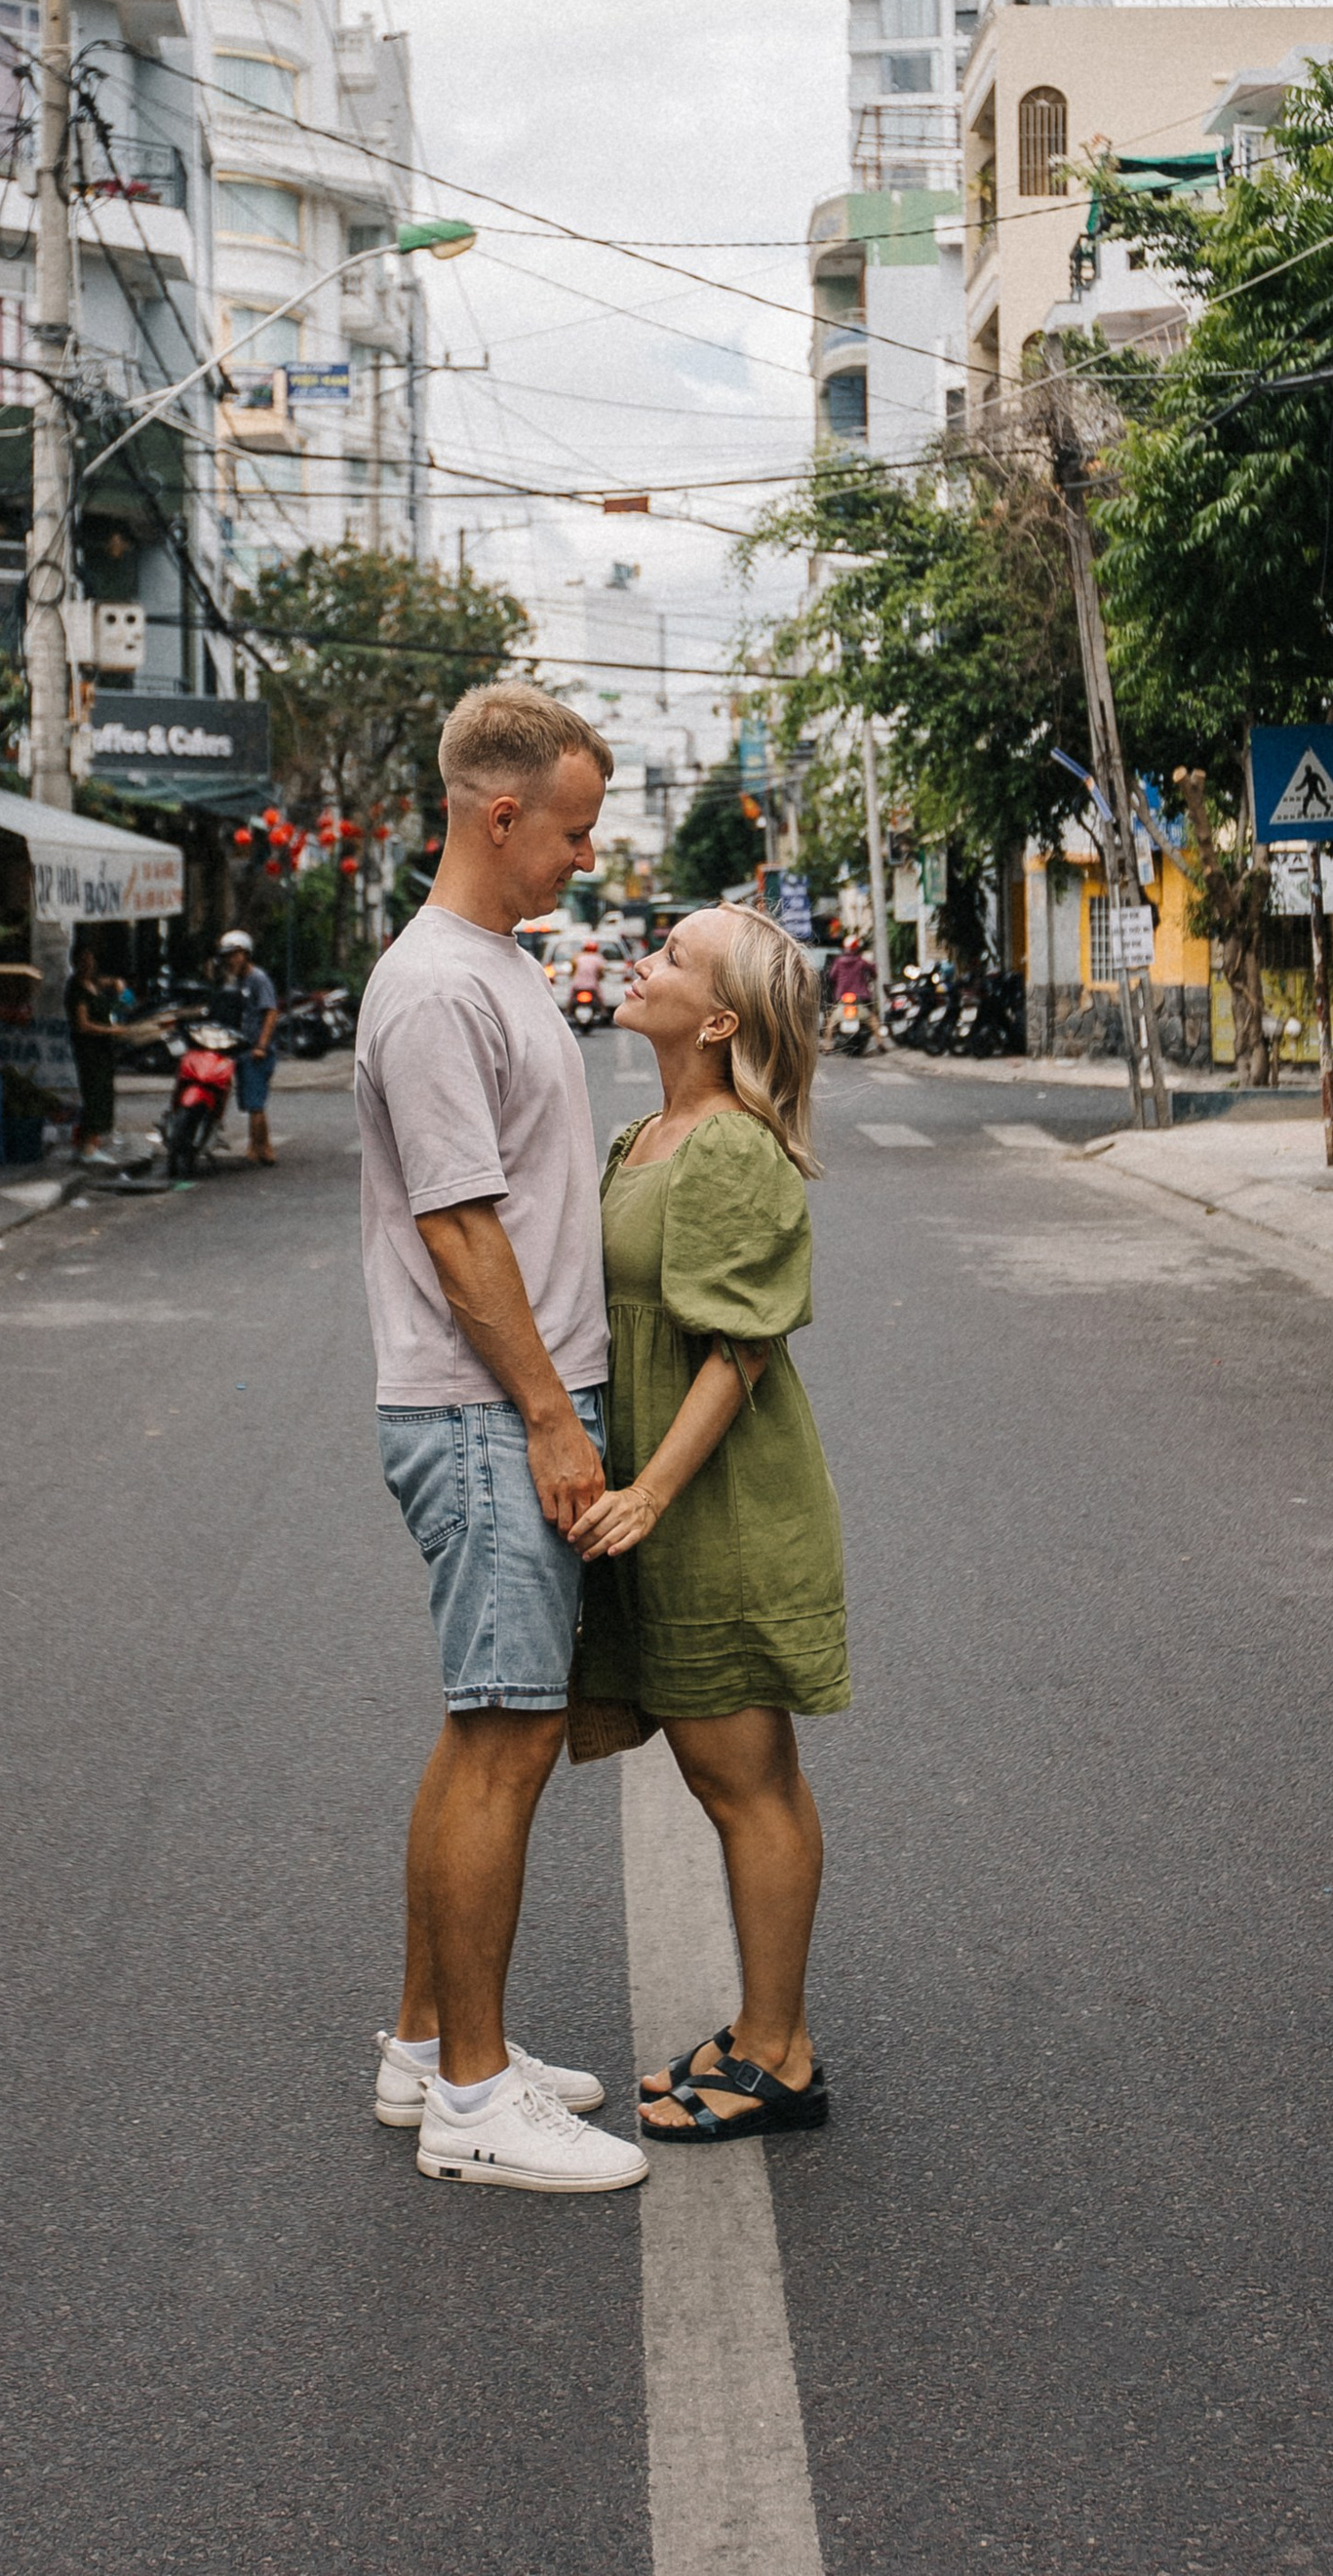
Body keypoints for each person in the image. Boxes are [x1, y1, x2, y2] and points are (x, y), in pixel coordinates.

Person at [357, 683, 647, 2197]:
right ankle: (475, 2097)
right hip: (485, 1413)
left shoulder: (493, 967)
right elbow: (463, 1231)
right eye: (575, 830)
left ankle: (428, 2044)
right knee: (514, 1735)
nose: (583, 858)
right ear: (500, 813)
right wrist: (549, 1417)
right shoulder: (436, 991)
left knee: (485, 1728)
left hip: (498, 1407)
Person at [570, 902, 847, 2145]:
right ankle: (755, 2029)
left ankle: (780, 2054)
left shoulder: (728, 1147)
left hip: (718, 1506)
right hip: (665, 1498)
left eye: (672, 957)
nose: (642, 960)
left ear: (722, 1019)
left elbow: (738, 1349)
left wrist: (648, 1494)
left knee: (747, 1784)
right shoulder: (645, 1132)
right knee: (722, 1774)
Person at [217, 928, 282, 1167]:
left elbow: (271, 1012)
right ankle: (260, 1147)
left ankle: (260, 1149)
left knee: (255, 1103)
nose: (231, 960)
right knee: (251, 1102)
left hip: (257, 1050)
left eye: (235, 954)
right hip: (241, 1048)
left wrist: (261, 1046)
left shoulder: (258, 979)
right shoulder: (237, 981)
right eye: (228, 956)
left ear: (246, 954)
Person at [68, 947, 133, 1150]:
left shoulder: (94, 984)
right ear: (76, 963)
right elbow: (83, 1024)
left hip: (104, 1051)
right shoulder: (76, 989)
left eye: (90, 959)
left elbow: (113, 985)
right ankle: (87, 1146)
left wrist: (118, 984)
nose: (88, 964)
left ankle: (95, 1143)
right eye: (83, 960)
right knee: (93, 1096)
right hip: (89, 1051)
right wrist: (110, 1030)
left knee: (104, 1095)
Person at [825, 933, 880, 1052]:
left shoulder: (838, 962)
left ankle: (827, 1045)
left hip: (842, 998)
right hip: (861, 997)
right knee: (872, 1018)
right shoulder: (861, 962)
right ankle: (880, 1042)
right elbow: (874, 973)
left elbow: (831, 977)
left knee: (831, 1021)